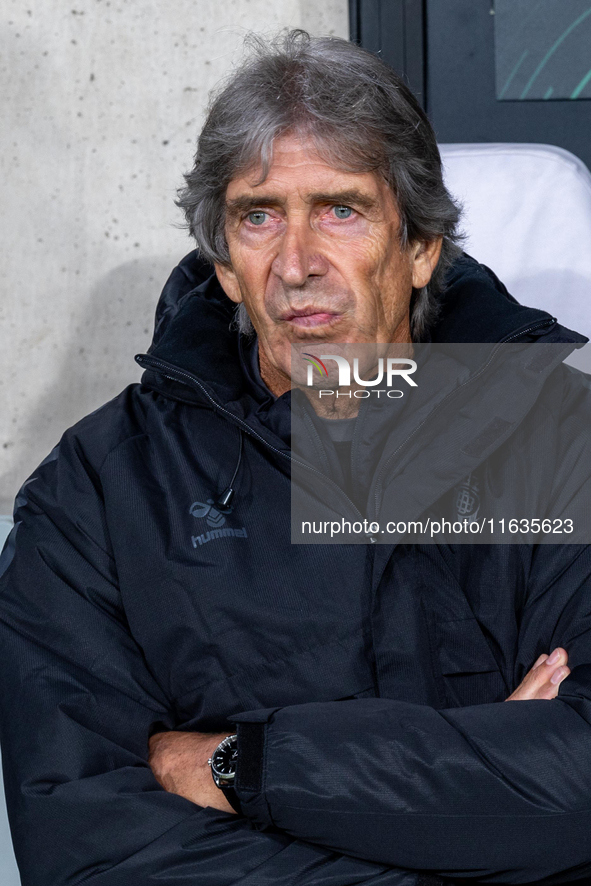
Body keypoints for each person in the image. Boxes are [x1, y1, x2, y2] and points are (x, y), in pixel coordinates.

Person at [1, 29, 591, 886]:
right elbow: (91, 844)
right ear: (225, 264)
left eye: (341, 210)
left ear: (421, 246)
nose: (297, 264)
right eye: (259, 216)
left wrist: (242, 769)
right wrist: (475, 813)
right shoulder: (98, 488)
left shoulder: (564, 442)